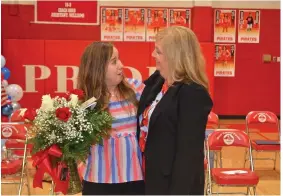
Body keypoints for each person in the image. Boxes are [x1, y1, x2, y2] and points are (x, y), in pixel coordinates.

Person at [137, 26, 213, 195]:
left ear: (174, 56)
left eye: (158, 51)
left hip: (173, 184)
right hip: (150, 175)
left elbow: (188, 154)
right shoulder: (158, 81)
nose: (153, 55)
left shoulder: (193, 93)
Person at [77, 42, 145, 195]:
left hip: (134, 177)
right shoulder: (83, 101)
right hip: (98, 179)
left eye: (119, 59)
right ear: (98, 68)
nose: (121, 65)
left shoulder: (137, 90)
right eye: (114, 62)